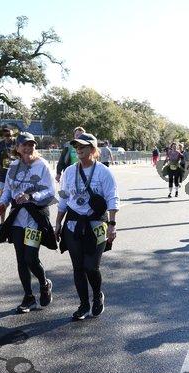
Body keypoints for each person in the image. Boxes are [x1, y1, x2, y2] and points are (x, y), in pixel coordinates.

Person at [54, 132, 119, 320]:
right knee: (78, 267)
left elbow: (112, 198)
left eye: (83, 146)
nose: (79, 149)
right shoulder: (69, 171)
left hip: (97, 223)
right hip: (73, 223)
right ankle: (83, 305)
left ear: (93, 149)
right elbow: (63, 198)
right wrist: (58, 223)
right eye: (76, 146)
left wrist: (112, 225)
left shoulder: (103, 172)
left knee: (91, 266)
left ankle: (97, 296)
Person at [0, 132, 56, 314]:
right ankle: (28, 297)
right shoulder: (13, 166)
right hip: (17, 219)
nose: (28, 148)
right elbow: (8, 190)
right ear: (18, 148)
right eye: (25, 145)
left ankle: (44, 284)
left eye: (31, 145)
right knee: (21, 259)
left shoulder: (42, 165)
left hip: (35, 217)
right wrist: (2, 203)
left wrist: (31, 196)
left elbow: (50, 191)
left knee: (30, 257)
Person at [0, 127, 17, 232]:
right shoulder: (0, 145)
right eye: (7, 135)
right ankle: (2, 223)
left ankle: (12, 223)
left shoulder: (17, 143)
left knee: (15, 199)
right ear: (3, 136)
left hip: (16, 175)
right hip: (3, 174)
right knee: (3, 199)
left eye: (11, 135)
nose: (9, 137)